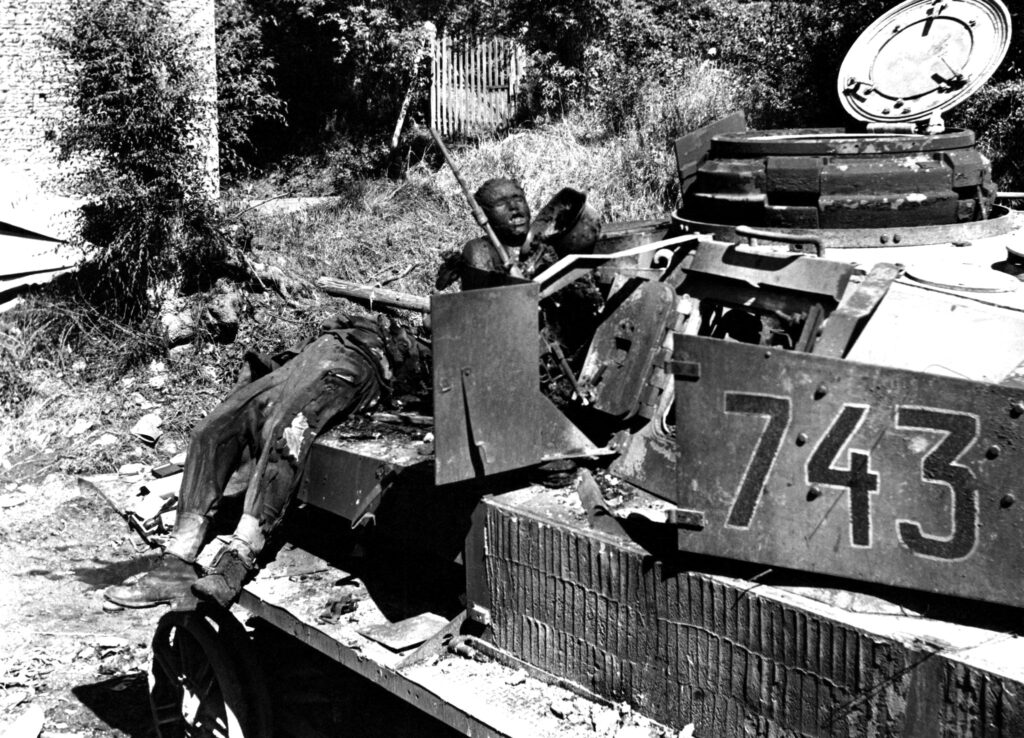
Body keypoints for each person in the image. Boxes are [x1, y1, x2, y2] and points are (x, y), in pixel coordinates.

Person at [104, 313, 428, 609]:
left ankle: (236, 561)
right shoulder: (375, 322)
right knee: (213, 430)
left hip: (357, 365)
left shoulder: (419, 347)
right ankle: (175, 563)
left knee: (284, 433)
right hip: (316, 352)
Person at [435, 177, 531, 291]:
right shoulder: (480, 250)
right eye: (500, 204)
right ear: (482, 216)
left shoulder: (541, 236)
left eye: (519, 199)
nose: (513, 206)